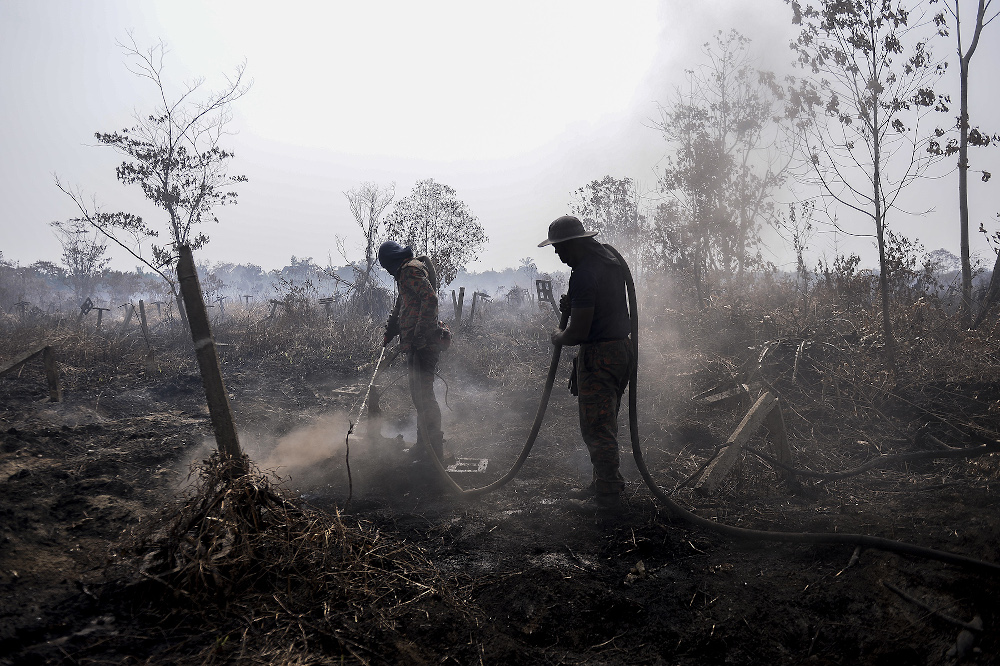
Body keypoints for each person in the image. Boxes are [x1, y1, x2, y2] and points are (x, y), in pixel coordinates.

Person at [540, 215, 632, 510]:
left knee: (596, 427)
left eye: (560, 247)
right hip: (620, 352)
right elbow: (601, 305)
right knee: (605, 421)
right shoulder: (608, 262)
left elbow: (577, 332)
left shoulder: (583, 273)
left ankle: (608, 496)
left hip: (600, 356)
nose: (557, 253)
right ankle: (604, 482)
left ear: (573, 244)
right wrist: (575, 305)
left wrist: (559, 335)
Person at [378, 240, 447, 466]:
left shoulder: (409, 271)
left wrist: (418, 335)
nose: (388, 271)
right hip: (416, 344)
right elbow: (403, 307)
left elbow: (430, 299)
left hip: (423, 345)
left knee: (424, 396)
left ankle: (433, 450)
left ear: (392, 261)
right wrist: (391, 332)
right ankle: (424, 446)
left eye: (387, 266)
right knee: (420, 396)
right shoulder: (406, 273)